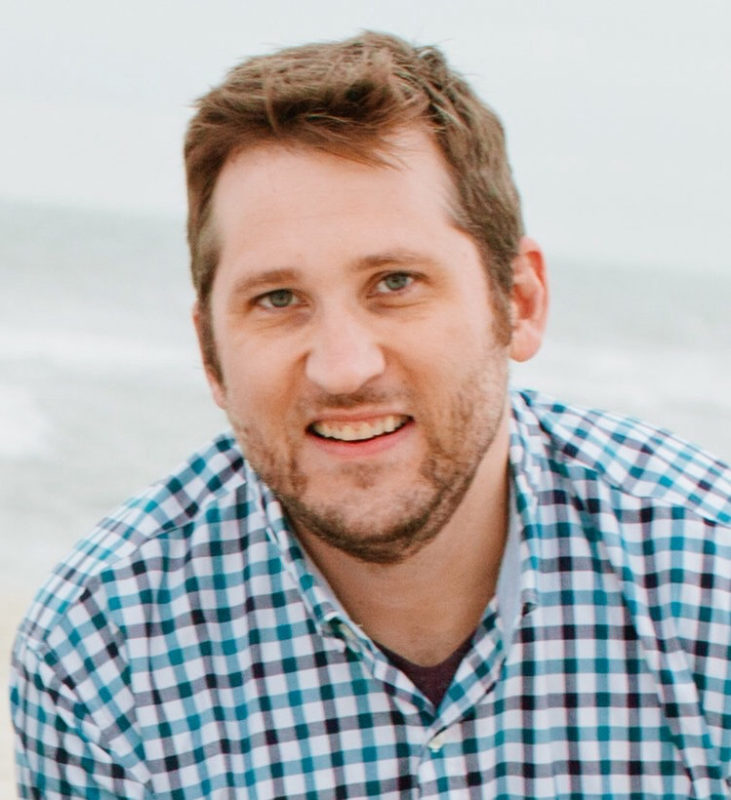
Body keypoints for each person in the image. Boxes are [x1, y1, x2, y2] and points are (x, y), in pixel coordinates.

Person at [10, 30, 731, 800]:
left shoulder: (708, 580)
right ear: (210, 353)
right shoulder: (101, 655)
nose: (343, 367)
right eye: (277, 299)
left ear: (518, 303)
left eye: (395, 283)